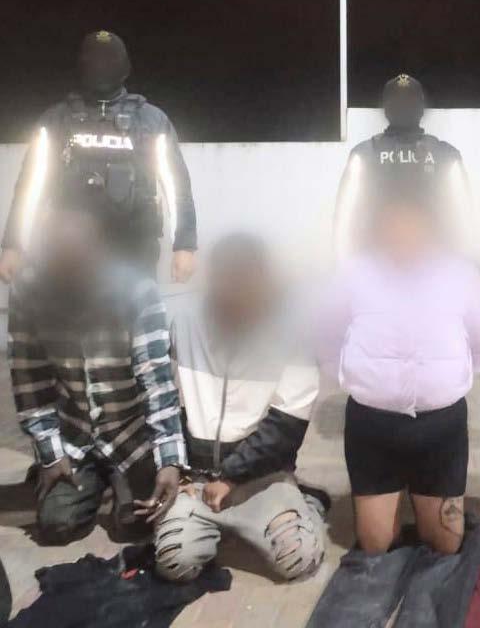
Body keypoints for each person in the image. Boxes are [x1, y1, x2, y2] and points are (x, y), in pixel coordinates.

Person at [319, 191, 480, 555]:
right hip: (373, 426)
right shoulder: (354, 274)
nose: (404, 231)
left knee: (445, 545)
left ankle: (427, 504)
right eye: (394, 222)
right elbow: (327, 336)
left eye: (414, 222)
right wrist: (357, 379)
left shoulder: (460, 275)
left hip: (440, 427)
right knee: (375, 546)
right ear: (377, 227)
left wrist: (448, 383)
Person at [153, 233, 327, 582]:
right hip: (197, 478)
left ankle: (305, 502)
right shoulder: (183, 321)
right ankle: (212, 524)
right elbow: (160, 399)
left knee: (299, 558)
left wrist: (231, 477)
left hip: (262, 480)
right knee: (174, 562)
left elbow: (286, 427)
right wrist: (172, 463)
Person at [9, 203, 185, 545]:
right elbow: (29, 379)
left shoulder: (137, 290)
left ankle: (119, 477)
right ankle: (94, 478)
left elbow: (156, 382)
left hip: (130, 435)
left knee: (137, 526)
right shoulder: (29, 291)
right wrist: (50, 453)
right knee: (57, 525)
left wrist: (169, 460)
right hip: (74, 433)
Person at [0, 30, 197, 282]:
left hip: (134, 252)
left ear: (124, 66)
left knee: (138, 308)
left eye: (109, 60)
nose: (101, 66)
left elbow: (177, 186)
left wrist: (184, 245)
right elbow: (30, 186)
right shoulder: (56, 120)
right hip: (69, 254)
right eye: (94, 60)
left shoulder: (151, 120)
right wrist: (13, 245)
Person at [333, 73, 471, 258]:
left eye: (409, 102)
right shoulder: (445, 155)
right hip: (383, 263)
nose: (404, 107)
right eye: (397, 102)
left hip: (429, 264)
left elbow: (463, 220)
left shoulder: (365, 154)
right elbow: (346, 221)